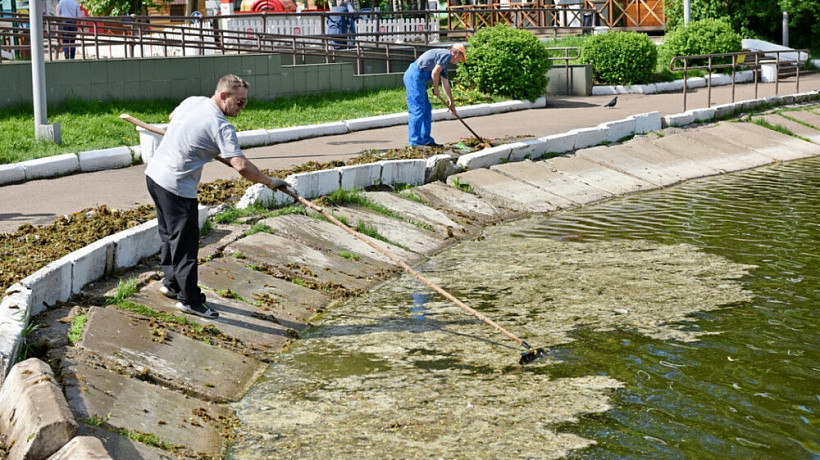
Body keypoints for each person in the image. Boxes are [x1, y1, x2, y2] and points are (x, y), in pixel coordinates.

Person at [145, 74, 290, 319]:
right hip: (177, 187)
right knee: (186, 245)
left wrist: (202, 144)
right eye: (240, 102)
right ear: (223, 96)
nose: (243, 108)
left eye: (245, 102)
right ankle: (190, 300)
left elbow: (173, 117)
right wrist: (270, 182)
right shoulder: (221, 126)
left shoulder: (194, 102)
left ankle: (171, 284)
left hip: (155, 176)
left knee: (169, 234)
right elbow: (241, 166)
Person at [403, 44, 466, 147]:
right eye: (460, 58)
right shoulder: (446, 55)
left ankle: (426, 139)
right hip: (414, 77)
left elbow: (446, 83)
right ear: (456, 53)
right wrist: (436, 88)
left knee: (427, 108)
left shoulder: (444, 63)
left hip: (420, 79)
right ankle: (415, 142)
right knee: (418, 109)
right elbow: (435, 72)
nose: (459, 61)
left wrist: (452, 103)